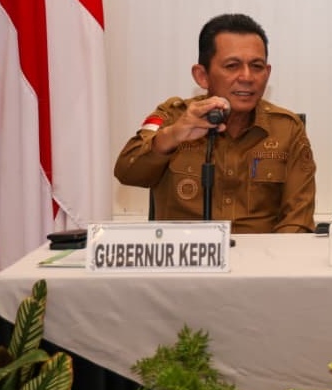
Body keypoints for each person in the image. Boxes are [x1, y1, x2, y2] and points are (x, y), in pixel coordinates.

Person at [114, 13, 315, 233]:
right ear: (202, 76)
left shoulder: (287, 128)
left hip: (262, 261)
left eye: (257, 66)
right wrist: (174, 135)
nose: (247, 77)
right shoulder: (173, 117)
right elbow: (127, 172)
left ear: (267, 74)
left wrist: (273, 263)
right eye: (232, 66)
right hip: (186, 259)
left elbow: (297, 219)